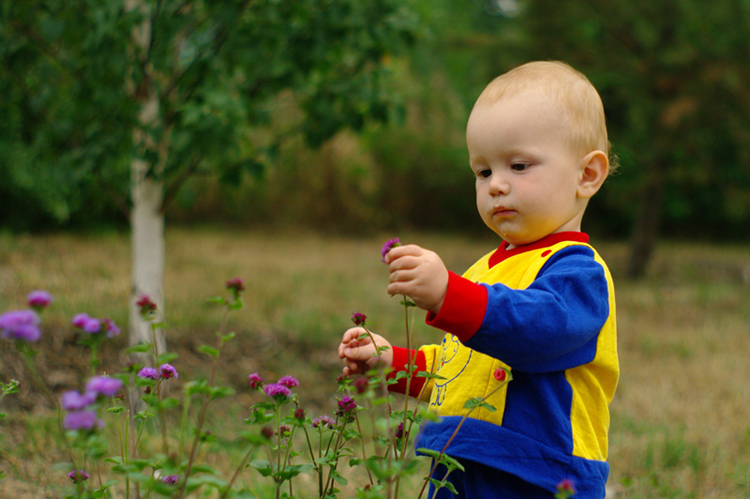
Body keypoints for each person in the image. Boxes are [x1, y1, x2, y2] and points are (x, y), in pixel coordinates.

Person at [338, 61, 619, 499]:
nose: (496, 186)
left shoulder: (579, 272)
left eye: (519, 165)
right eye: (483, 171)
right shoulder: (484, 269)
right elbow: (461, 370)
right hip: (459, 459)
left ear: (587, 175)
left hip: (538, 473)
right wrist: (391, 362)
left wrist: (451, 295)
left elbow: (537, 331)